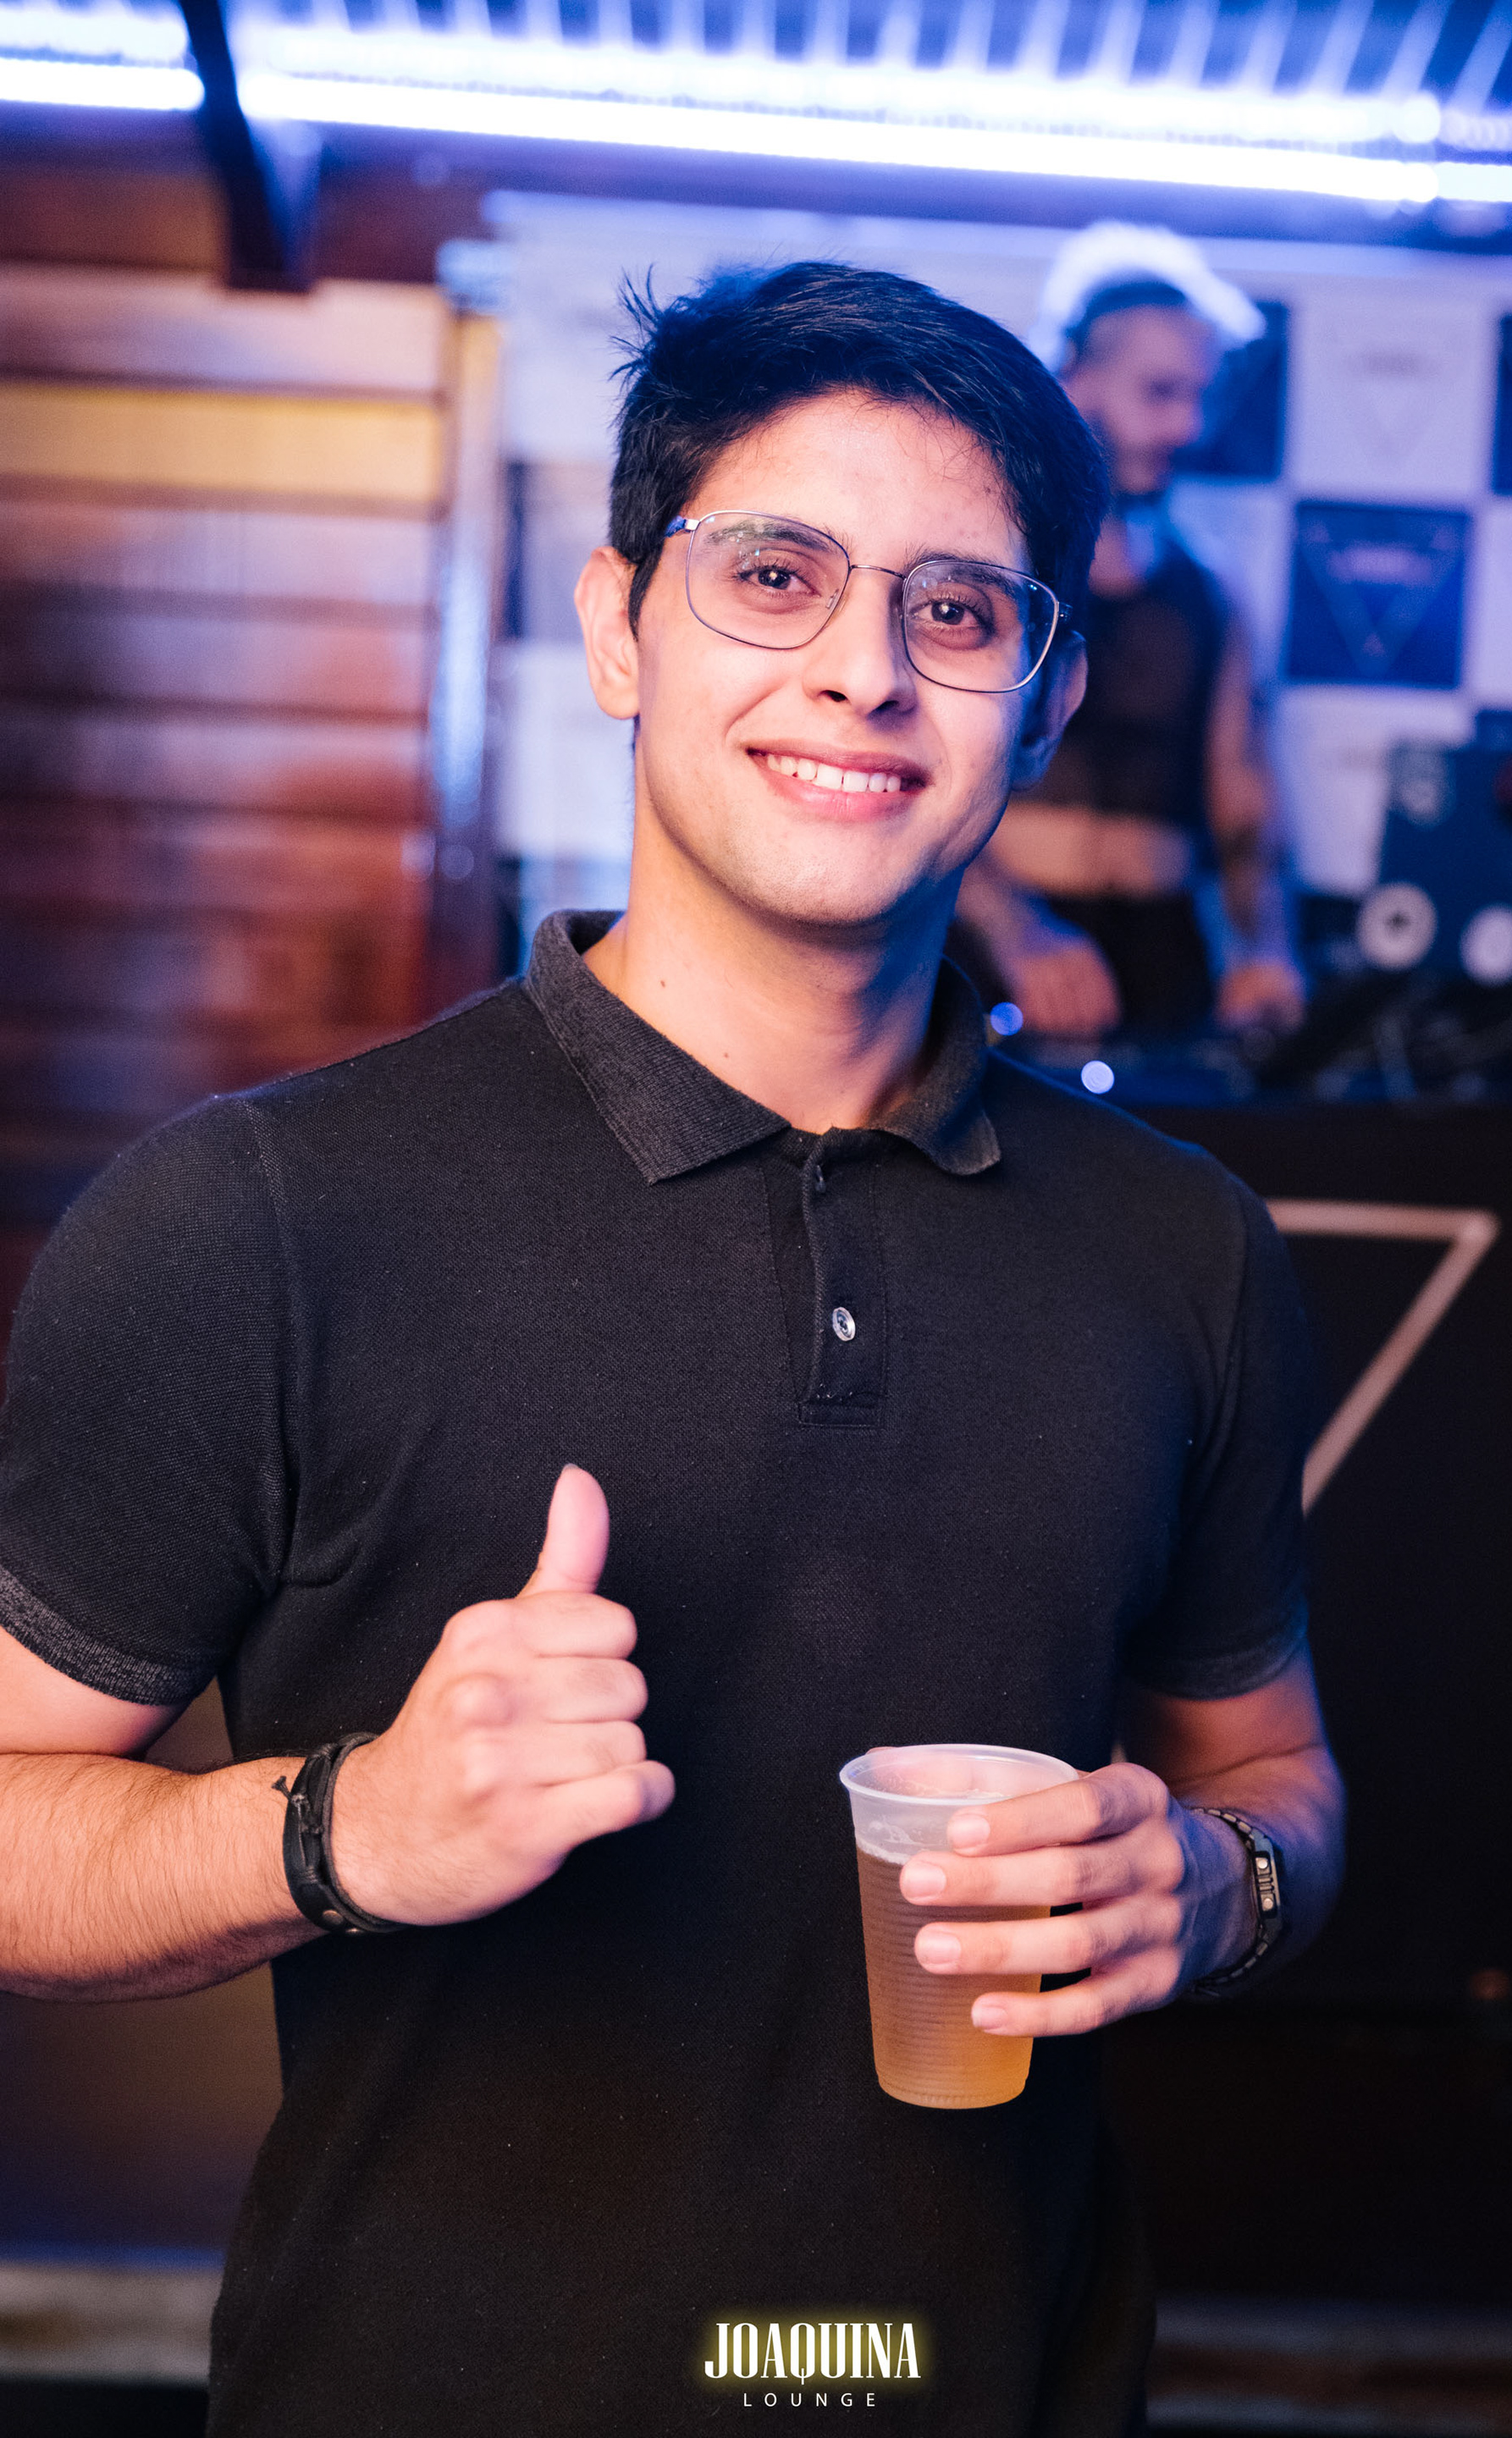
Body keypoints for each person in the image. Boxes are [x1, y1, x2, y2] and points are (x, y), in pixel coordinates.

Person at [0, 262, 1343, 2437]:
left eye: (955, 611)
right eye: (775, 575)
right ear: (621, 625)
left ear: (1044, 695)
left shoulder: (1183, 1250)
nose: (863, 671)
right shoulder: (258, 1217)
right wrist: (344, 1829)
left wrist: (1220, 1883)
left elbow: (1274, 1774)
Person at [954, 223, 1305, 1039]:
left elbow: (1244, 802)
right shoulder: (989, 569)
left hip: (1162, 971)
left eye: (1198, 396)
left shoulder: (1209, 592)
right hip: (989, 959)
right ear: (1074, 377)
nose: (1188, 426)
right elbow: (918, 773)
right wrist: (1019, 931)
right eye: (1160, 393)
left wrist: (1264, 948)